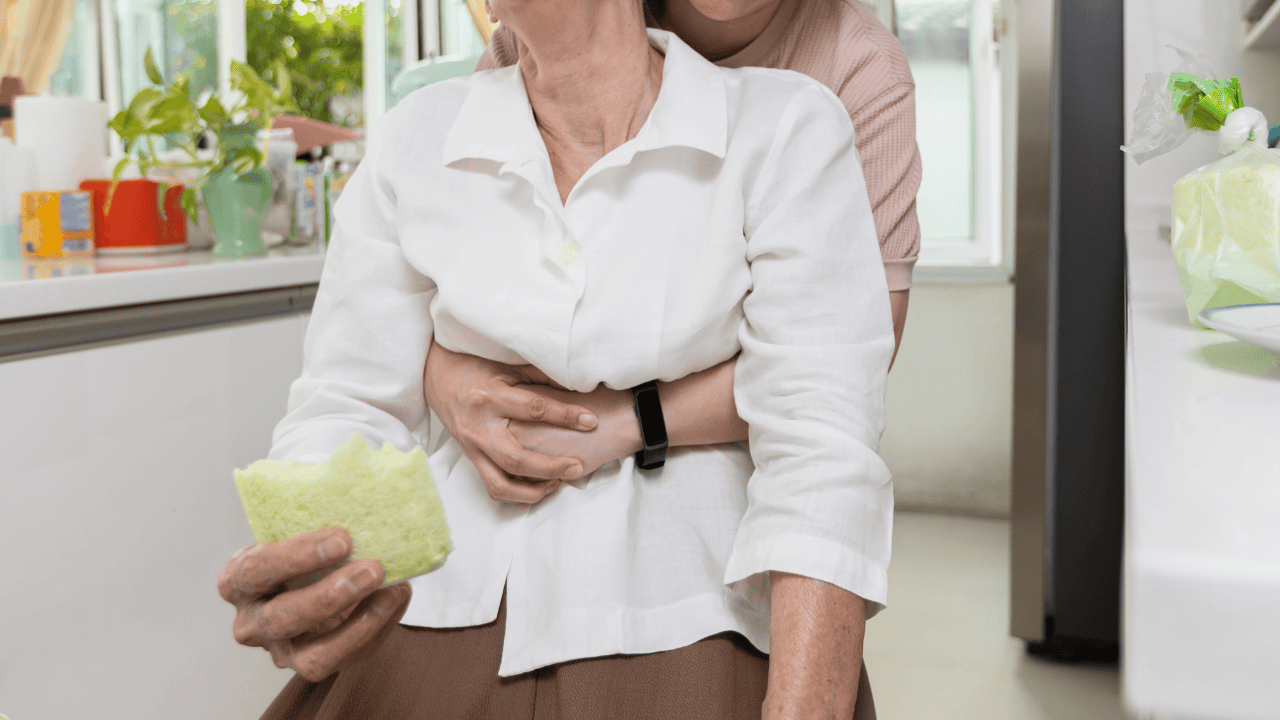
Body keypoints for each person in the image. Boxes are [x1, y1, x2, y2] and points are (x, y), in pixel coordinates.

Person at [218, 0, 894, 717]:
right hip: (438, 608)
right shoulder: (414, 137)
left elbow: (820, 453)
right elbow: (347, 403)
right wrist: (310, 571)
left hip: (693, 613)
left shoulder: (786, 125)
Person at [422, 0, 920, 509]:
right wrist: (447, 382)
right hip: (517, 492)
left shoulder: (858, 71)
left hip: (733, 489)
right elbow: (446, 249)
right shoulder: (561, 21)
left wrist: (627, 421)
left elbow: (841, 366)